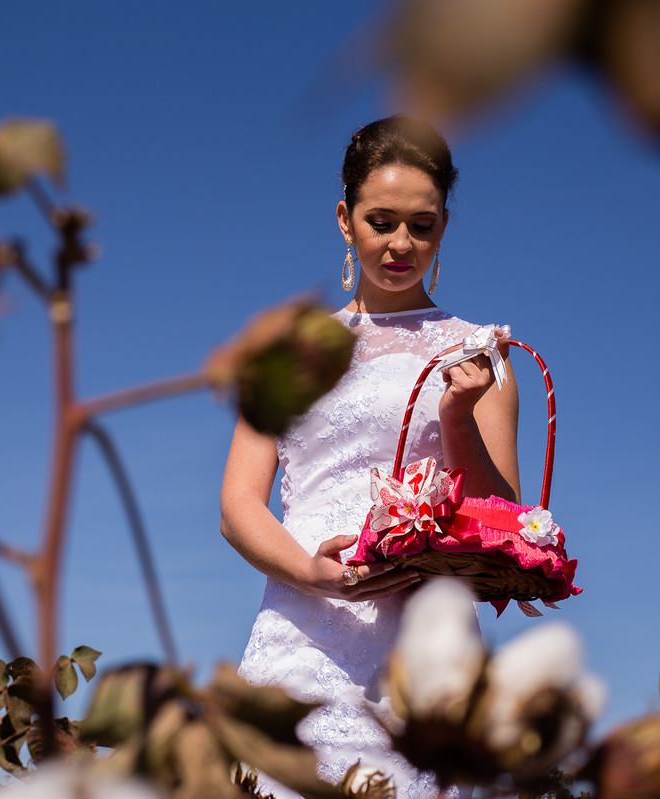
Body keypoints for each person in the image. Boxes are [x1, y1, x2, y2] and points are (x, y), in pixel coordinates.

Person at [220, 115, 520, 798]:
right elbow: (237, 505)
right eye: (381, 220)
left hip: (427, 659)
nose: (401, 243)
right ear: (344, 218)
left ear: (445, 225)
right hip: (300, 641)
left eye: (422, 223)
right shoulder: (286, 346)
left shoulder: (481, 351)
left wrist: (457, 419)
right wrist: (310, 570)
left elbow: (505, 520)